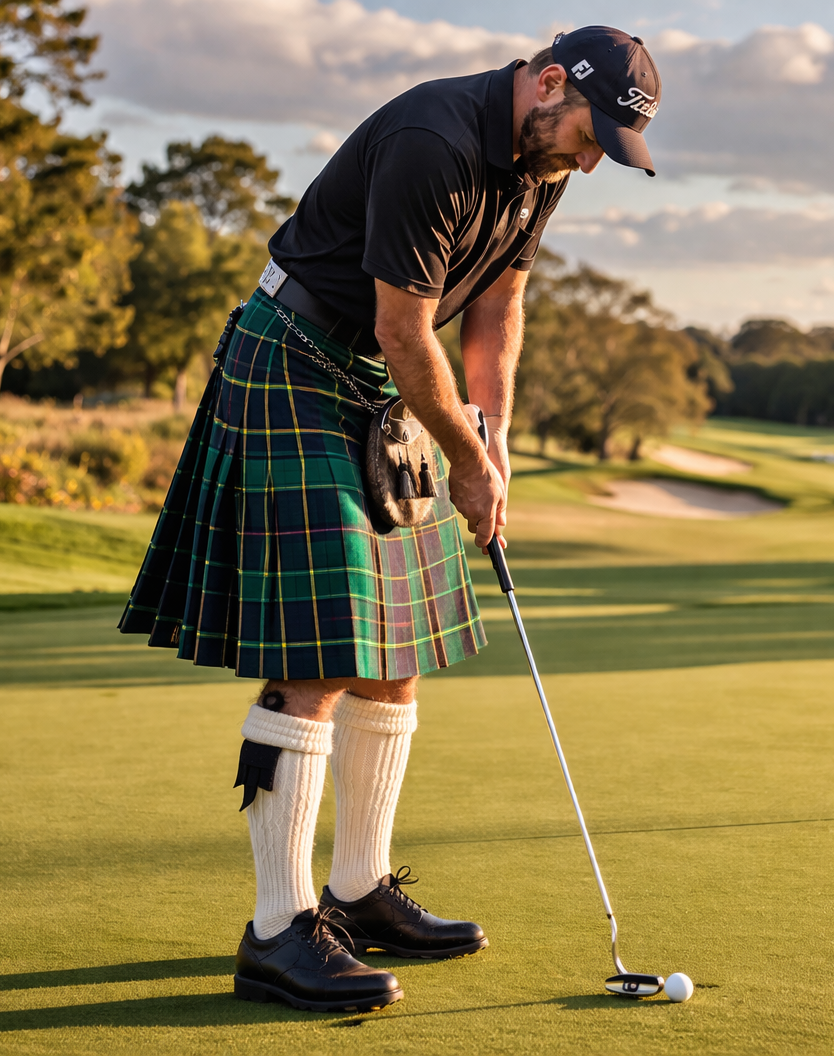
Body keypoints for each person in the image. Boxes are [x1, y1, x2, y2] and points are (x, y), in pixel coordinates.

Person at [118, 26, 663, 1013]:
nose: (589, 161)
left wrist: (491, 441)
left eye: (605, 151)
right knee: (320, 651)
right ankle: (278, 932)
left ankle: (359, 892)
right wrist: (461, 461)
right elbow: (404, 327)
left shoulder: (542, 162)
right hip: (294, 358)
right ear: (547, 83)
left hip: (381, 381)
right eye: (590, 136)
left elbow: (497, 307)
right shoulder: (435, 140)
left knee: (393, 644)